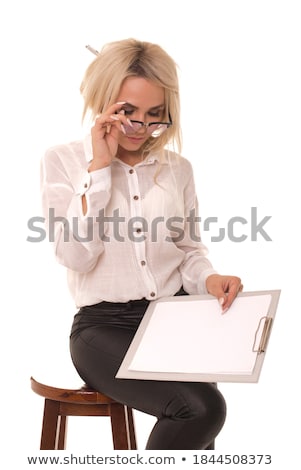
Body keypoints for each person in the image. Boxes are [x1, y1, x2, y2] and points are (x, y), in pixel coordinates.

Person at [41, 38, 242, 450]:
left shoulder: (177, 169)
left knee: (202, 422)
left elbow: (187, 250)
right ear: (103, 102)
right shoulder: (62, 161)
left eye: (156, 117)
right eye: (127, 112)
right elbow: (76, 256)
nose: (141, 128)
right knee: (200, 410)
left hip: (173, 321)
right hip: (103, 330)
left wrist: (210, 278)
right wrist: (98, 169)